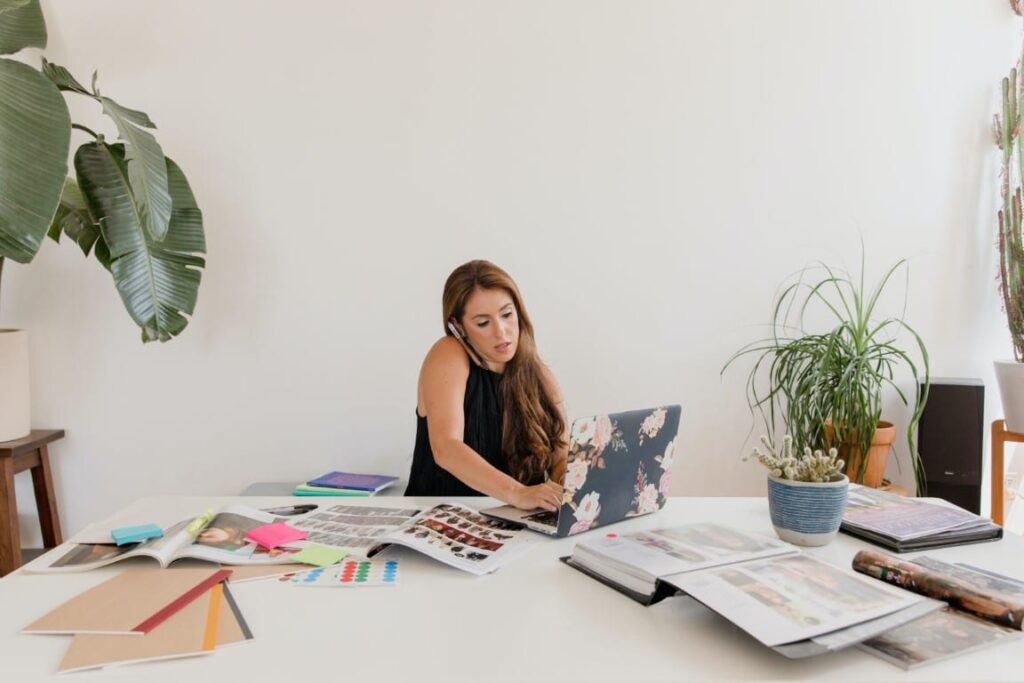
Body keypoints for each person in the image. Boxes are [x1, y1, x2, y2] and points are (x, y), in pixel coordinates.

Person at [405, 260, 567, 511]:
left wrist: (571, 485)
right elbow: (446, 447)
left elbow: (560, 456)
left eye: (507, 314)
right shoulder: (448, 354)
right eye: (483, 322)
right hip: (440, 520)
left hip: (514, 525)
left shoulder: (539, 374)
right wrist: (518, 492)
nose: (501, 332)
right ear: (458, 326)